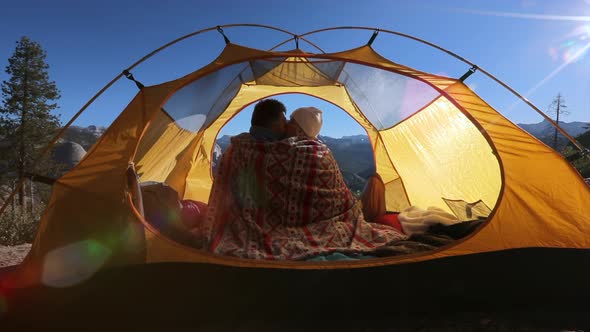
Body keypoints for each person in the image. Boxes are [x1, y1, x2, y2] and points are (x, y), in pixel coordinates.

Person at [199, 104, 407, 260]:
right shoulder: (315, 151)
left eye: (291, 121)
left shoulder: (237, 148)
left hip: (251, 226)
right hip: (314, 224)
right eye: (285, 119)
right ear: (276, 123)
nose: (287, 123)